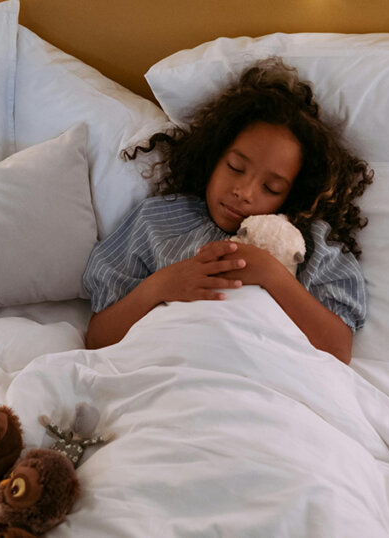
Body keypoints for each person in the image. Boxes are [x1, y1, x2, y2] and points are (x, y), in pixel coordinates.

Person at [82, 57, 373, 364]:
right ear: (214, 156)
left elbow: (338, 351)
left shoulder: (306, 243)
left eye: (271, 188)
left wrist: (272, 274)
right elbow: (98, 339)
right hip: (169, 369)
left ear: (292, 193)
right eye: (235, 167)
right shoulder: (157, 221)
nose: (244, 193)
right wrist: (160, 286)